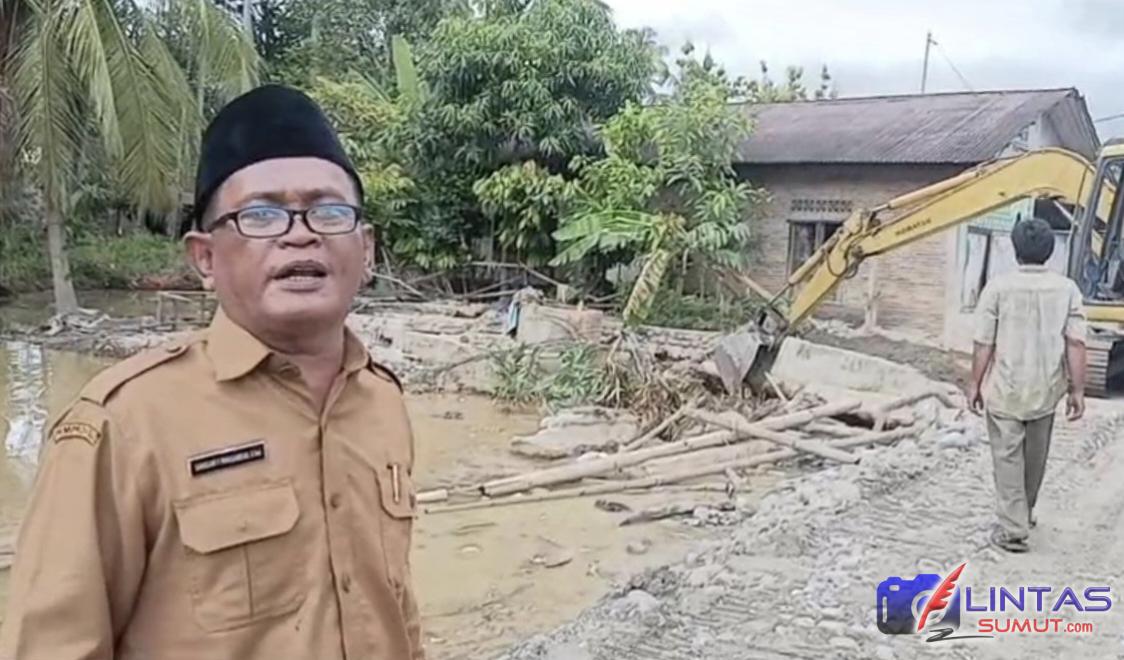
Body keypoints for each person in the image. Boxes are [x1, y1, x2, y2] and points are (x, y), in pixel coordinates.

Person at [0, 85, 425, 659]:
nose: (300, 233)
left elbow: (397, 608)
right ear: (204, 257)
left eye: (328, 211)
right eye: (261, 215)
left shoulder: (382, 402)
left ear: (366, 249)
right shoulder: (126, 425)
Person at [968, 217, 1087, 554]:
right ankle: (1024, 512)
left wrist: (975, 383)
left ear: (1015, 250)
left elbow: (983, 343)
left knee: (1007, 459)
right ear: (1049, 251)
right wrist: (1077, 390)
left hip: (1006, 390)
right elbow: (1076, 343)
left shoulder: (997, 288)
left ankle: (1013, 529)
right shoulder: (1067, 290)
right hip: (1045, 391)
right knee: (1035, 457)